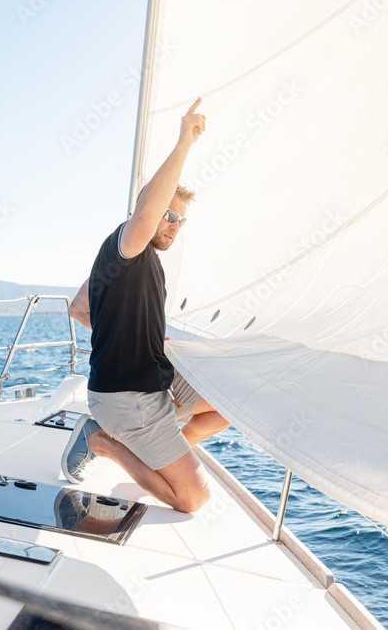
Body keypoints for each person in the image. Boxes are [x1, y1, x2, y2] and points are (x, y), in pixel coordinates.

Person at [62, 98, 229, 513]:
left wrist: (137, 341)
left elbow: (78, 310)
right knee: (193, 499)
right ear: (147, 210)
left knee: (236, 401)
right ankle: (103, 441)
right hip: (126, 399)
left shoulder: (127, 258)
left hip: (153, 383)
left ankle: (162, 453)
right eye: (167, 213)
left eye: (179, 219)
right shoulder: (130, 243)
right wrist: (185, 142)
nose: (172, 223)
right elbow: (145, 217)